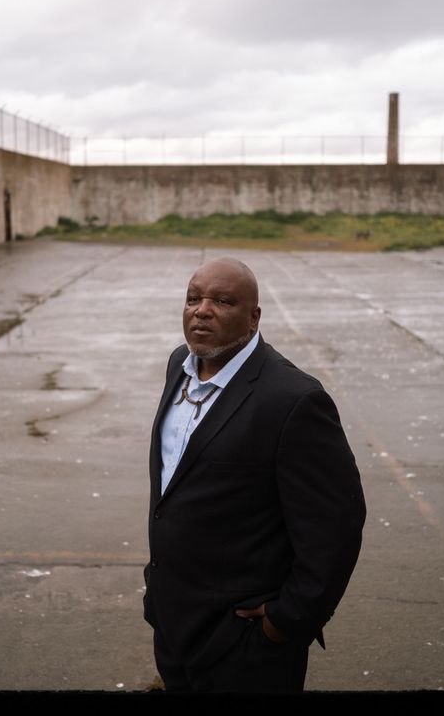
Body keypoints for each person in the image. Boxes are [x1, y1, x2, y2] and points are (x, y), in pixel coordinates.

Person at [143, 256, 366, 692]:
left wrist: (287, 622)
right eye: (194, 298)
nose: (202, 310)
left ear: (254, 317)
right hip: (172, 624)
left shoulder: (293, 400)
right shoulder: (179, 366)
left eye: (223, 301)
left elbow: (336, 527)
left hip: (243, 642)